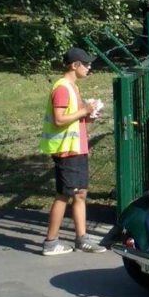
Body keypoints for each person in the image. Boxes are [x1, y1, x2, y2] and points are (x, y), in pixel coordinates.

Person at [39, 47, 106, 255]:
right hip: (67, 151)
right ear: (74, 65)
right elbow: (59, 120)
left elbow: (73, 116)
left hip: (76, 149)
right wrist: (84, 110)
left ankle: (82, 239)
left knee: (80, 194)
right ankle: (51, 243)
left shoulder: (72, 87)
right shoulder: (62, 88)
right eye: (86, 64)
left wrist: (88, 116)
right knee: (64, 195)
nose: (89, 68)